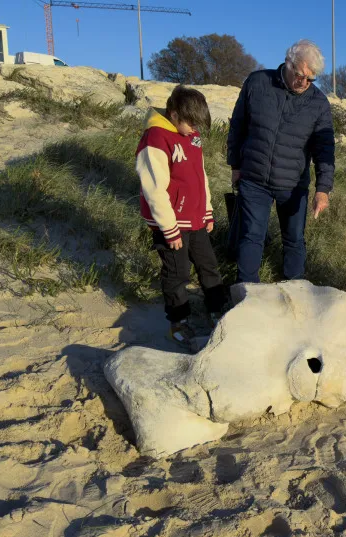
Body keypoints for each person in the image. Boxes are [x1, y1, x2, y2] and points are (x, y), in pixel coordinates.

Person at [226, 39, 335, 283]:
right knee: (251, 236)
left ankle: (295, 289)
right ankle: (246, 293)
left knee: (294, 238)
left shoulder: (318, 103)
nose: (304, 82)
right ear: (288, 63)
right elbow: (237, 126)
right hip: (254, 178)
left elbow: (325, 149)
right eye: (300, 75)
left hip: (293, 185)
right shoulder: (257, 82)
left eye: (311, 78)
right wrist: (235, 165)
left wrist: (323, 189)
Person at [136, 86, 228, 345]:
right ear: (174, 114)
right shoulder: (155, 138)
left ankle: (217, 310)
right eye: (190, 123)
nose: (193, 130)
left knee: (208, 266)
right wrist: (169, 228)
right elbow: (153, 187)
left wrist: (207, 210)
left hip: (196, 218)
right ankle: (178, 322)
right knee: (177, 275)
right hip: (171, 223)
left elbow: (201, 176)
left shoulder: (193, 136)